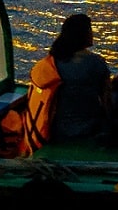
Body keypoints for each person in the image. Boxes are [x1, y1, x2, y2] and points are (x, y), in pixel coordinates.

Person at [27, 13, 112, 144]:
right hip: (88, 130)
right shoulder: (96, 63)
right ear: (84, 34)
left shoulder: (53, 61)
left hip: (56, 129)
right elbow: (107, 102)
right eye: (90, 29)